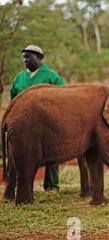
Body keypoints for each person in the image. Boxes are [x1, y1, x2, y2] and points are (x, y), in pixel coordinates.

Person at [10, 44, 65, 191]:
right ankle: (22, 188)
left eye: (29, 57)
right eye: (23, 57)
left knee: (51, 154)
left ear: (39, 58)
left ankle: (52, 187)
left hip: (48, 123)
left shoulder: (52, 76)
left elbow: (65, 97)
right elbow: (12, 101)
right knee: (23, 154)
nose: (25, 60)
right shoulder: (19, 78)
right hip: (24, 125)